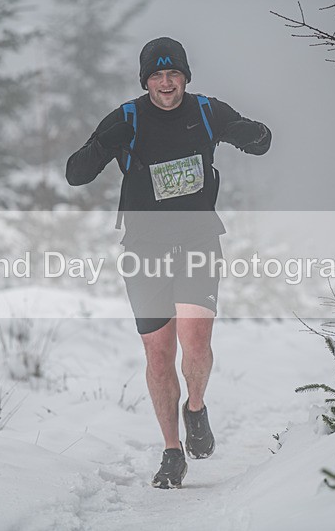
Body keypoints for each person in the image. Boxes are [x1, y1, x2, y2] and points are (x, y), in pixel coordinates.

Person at [65, 37, 271, 488]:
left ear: (185, 76)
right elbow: (75, 173)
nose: (165, 82)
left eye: (173, 74)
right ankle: (171, 451)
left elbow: (260, 141)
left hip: (198, 241)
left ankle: (195, 407)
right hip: (144, 249)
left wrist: (252, 134)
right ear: (146, 80)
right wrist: (104, 145)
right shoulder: (127, 118)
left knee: (194, 342)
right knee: (159, 356)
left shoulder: (205, 111)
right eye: (156, 76)